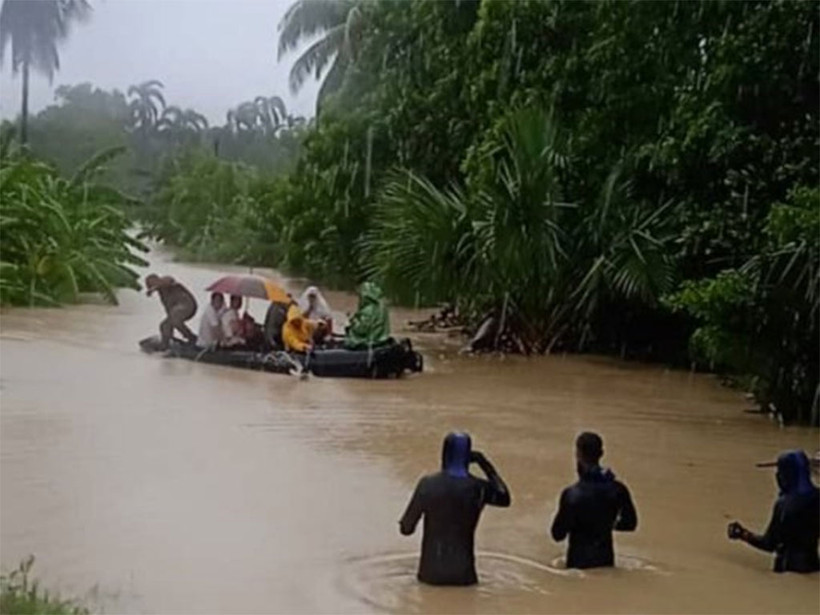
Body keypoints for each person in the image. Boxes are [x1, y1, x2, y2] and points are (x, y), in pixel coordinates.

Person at [399, 432, 511, 586]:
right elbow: (504, 498)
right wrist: (484, 463)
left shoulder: (428, 485)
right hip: (464, 576)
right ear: (468, 458)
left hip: (430, 575)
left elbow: (406, 529)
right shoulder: (479, 488)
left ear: (444, 454)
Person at [550, 432, 638, 569]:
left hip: (577, 569)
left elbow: (557, 534)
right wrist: (607, 524)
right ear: (601, 453)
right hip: (606, 564)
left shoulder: (572, 495)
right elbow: (630, 524)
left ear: (578, 454)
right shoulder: (618, 490)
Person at [727, 450, 819, 573]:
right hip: (813, 565)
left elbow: (769, 544)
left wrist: (743, 534)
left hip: (788, 568)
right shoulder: (817, 498)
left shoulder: (785, 505)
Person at [145, 273, 198, 349]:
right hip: (176, 310)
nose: (150, 286)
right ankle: (165, 344)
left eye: (150, 283)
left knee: (175, 316)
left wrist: (155, 287)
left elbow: (169, 281)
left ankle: (191, 337)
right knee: (164, 325)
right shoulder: (162, 295)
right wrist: (169, 332)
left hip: (187, 305)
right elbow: (168, 311)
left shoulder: (166, 280)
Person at [344, 281, 390, 349]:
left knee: (349, 342)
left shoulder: (368, 310)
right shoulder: (382, 307)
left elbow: (361, 329)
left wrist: (352, 320)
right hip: (380, 338)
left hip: (370, 340)